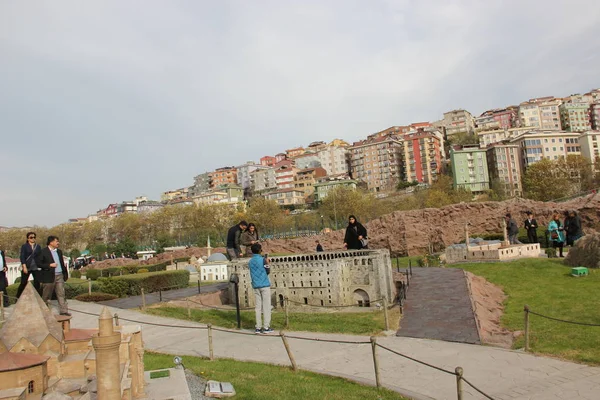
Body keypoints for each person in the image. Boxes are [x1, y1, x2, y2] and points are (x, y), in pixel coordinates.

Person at [36, 236, 70, 315]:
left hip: (59, 275)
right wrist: (49, 265)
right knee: (47, 295)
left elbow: (62, 263)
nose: (58, 243)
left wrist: (65, 273)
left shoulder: (59, 251)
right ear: (51, 242)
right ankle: (44, 311)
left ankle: (64, 311)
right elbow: (39, 264)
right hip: (49, 276)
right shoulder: (43, 251)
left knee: (61, 294)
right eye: (56, 241)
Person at [248, 243, 273, 334]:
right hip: (264, 285)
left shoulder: (250, 261)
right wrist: (268, 263)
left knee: (258, 307)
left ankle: (258, 327)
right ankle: (266, 327)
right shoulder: (263, 260)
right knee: (266, 306)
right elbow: (268, 271)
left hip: (255, 285)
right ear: (260, 250)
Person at [17, 231, 42, 298]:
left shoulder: (38, 246)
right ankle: (18, 297)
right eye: (31, 237)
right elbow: (22, 256)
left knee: (37, 283)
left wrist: (40, 266)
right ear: (28, 238)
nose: (33, 239)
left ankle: (38, 298)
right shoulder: (24, 246)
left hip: (35, 267)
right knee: (23, 283)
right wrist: (24, 266)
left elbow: (40, 256)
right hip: (27, 266)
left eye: (34, 237)